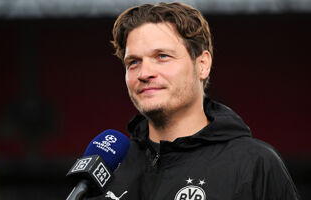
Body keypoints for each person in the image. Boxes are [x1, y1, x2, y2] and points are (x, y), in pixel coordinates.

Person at [88, 2, 299, 200]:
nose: (144, 73)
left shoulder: (254, 164)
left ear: (202, 65)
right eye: (133, 62)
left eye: (162, 56)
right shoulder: (109, 167)